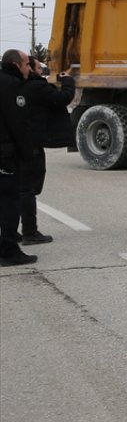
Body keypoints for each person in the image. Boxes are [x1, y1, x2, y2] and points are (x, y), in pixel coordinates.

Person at [17, 56, 75, 244]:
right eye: (37, 67)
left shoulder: (16, 85)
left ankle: (12, 230)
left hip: (19, 140)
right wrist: (66, 81)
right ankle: (30, 232)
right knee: (28, 188)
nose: (42, 71)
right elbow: (63, 98)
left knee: (18, 188)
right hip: (32, 143)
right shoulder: (36, 87)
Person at [1, 50, 37, 266]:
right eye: (26, 64)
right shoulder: (11, 86)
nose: (29, 69)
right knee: (9, 201)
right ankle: (8, 250)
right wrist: (27, 154)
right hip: (6, 154)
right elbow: (18, 124)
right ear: (16, 65)